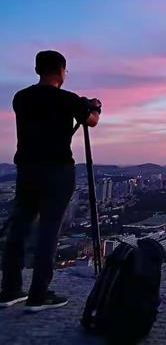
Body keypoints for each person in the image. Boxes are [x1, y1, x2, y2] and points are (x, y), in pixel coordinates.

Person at [0, 50, 101, 312]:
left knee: (19, 228)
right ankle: (39, 294)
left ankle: (9, 289)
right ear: (61, 71)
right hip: (57, 171)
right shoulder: (66, 99)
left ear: (37, 70)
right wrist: (94, 106)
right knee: (48, 230)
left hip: (27, 170)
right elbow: (91, 121)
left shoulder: (20, 98)